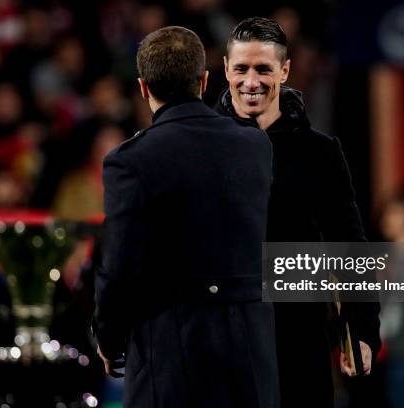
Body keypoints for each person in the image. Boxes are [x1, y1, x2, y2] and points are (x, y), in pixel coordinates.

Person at [92, 26, 279, 408]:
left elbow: (118, 264)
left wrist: (109, 339)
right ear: (205, 80)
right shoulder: (256, 145)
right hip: (251, 353)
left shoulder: (130, 160)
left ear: (144, 87)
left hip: (173, 356)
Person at [215, 17, 381, 407]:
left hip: (296, 338)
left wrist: (361, 329)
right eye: (240, 69)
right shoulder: (203, 149)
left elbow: (349, 244)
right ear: (225, 69)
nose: (250, 81)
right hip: (221, 339)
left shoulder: (319, 152)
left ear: (285, 71)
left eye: (263, 69)